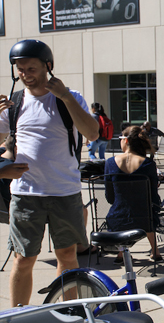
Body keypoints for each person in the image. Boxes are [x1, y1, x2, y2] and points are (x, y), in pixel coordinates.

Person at [0, 39, 99, 307]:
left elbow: (92, 133)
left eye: (31, 68)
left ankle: (67, 319)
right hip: (26, 193)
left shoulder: (71, 97)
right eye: (19, 69)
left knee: (67, 256)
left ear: (48, 66)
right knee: (23, 258)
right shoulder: (15, 103)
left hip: (64, 191)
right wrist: (3, 170)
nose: (24, 75)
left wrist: (65, 96)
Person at [104, 125, 162, 264]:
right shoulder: (148, 164)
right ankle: (155, 251)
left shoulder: (110, 163)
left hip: (117, 217)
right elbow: (153, 195)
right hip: (145, 218)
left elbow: (109, 196)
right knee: (147, 211)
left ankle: (121, 253)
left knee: (122, 209)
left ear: (126, 141)